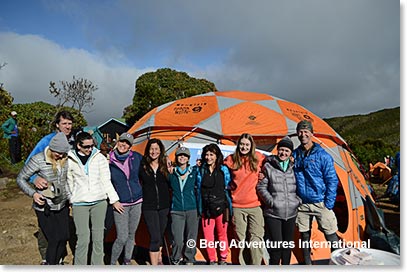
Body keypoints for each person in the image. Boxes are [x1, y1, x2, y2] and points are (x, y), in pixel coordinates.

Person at [26, 110, 75, 265]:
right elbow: (29, 163)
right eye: (64, 123)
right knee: (46, 229)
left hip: (62, 194)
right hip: (46, 195)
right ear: (57, 125)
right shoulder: (46, 141)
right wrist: (35, 178)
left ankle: (59, 257)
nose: (67, 127)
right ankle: (46, 258)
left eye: (70, 123)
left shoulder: (72, 142)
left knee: (62, 227)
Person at [67, 131, 123, 265]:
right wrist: (71, 199)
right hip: (79, 203)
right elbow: (68, 182)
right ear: (78, 146)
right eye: (86, 147)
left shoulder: (100, 158)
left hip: (99, 202)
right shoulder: (69, 160)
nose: (90, 149)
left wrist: (114, 199)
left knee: (98, 238)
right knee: (83, 238)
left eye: (91, 146)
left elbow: (106, 180)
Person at [16, 132, 71, 265]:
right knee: (54, 239)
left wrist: (70, 199)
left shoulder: (66, 159)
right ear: (51, 148)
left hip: (62, 204)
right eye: (58, 153)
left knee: (64, 237)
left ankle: (57, 262)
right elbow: (20, 178)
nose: (60, 156)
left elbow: (67, 181)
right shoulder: (38, 159)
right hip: (44, 206)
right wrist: (33, 193)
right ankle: (50, 264)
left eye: (63, 153)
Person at [293, 120, 339, 265]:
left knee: (331, 235)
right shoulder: (294, 155)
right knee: (304, 237)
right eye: (300, 131)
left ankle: (337, 264)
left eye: (306, 131)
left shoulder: (323, 155)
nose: (303, 134)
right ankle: (308, 265)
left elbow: (332, 180)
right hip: (302, 204)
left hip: (320, 202)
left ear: (312, 134)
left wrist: (328, 204)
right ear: (297, 133)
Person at [256, 136, 301, 265]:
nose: (283, 153)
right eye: (281, 150)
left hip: (291, 213)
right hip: (273, 214)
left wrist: (297, 200)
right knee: (276, 247)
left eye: (287, 151)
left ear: (290, 153)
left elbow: (300, 184)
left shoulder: (294, 168)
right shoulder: (269, 166)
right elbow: (261, 186)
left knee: (287, 246)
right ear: (277, 150)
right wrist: (271, 202)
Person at [224, 133, 266, 265]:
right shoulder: (231, 160)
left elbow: (274, 161)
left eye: (247, 144)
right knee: (240, 240)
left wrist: (264, 174)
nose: (244, 147)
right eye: (242, 144)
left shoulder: (258, 157)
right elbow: (217, 165)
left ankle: (256, 265)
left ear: (251, 146)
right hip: (237, 206)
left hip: (255, 205)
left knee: (256, 239)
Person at [109, 132, 143, 265]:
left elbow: (150, 166)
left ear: (130, 146)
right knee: (122, 237)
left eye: (127, 143)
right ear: (117, 142)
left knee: (131, 235)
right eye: (122, 141)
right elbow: (105, 183)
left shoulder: (136, 157)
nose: (124, 145)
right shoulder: (108, 160)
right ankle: (112, 263)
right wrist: (114, 201)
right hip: (120, 204)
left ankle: (126, 261)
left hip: (137, 201)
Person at [196, 143, 232, 265]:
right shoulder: (201, 170)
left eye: (211, 154)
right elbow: (198, 187)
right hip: (206, 209)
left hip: (221, 208)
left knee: (222, 235)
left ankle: (223, 259)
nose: (208, 157)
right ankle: (212, 259)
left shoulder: (223, 170)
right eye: (206, 154)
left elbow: (228, 186)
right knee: (208, 237)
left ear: (217, 156)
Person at [139, 138, 171, 265]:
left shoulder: (165, 165)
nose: (154, 152)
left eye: (156, 149)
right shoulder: (142, 165)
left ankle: (159, 259)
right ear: (148, 150)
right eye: (151, 149)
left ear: (160, 150)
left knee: (161, 233)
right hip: (149, 206)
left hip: (164, 205)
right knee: (155, 236)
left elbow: (170, 183)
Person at [168, 146, 199, 265]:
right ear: (176, 157)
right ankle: (176, 258)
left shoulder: (194, 171)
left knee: (191, 237)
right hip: (176, 210)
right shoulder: (171, 173)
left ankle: (189, 259)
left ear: (188, 159)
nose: (182, 157)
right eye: (180, 155)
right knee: (178, 239)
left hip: (192, 209)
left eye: (185, 156)